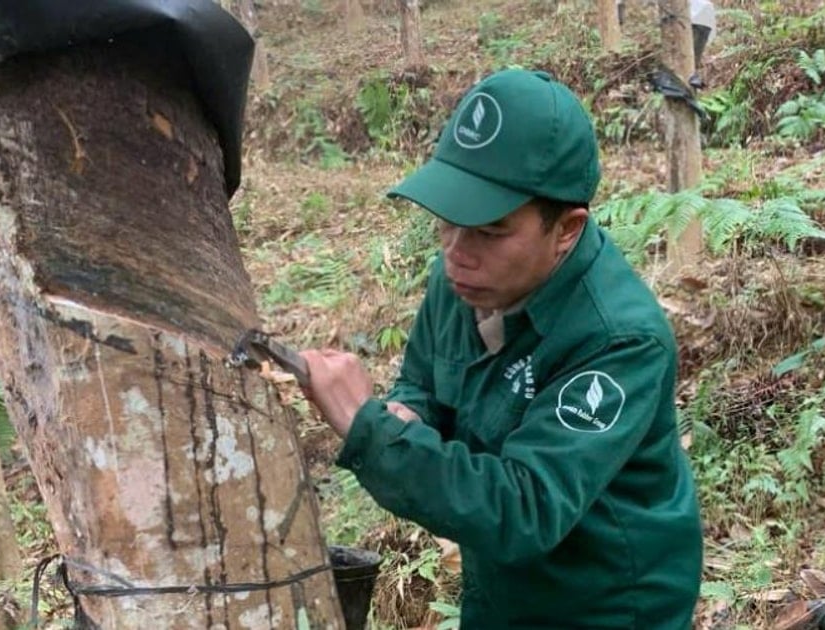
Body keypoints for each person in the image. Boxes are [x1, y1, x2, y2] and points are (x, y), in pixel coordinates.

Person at [299, 68, 703, 629]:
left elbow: (526, 509)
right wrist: (409, 414)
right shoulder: (463, 280)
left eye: (490, 231)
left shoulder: (617, 340)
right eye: (448, 221)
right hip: (500, 589)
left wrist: (368, 426)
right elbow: (425, 382)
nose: (457, 252)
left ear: (566, 228)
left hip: (604, 603)